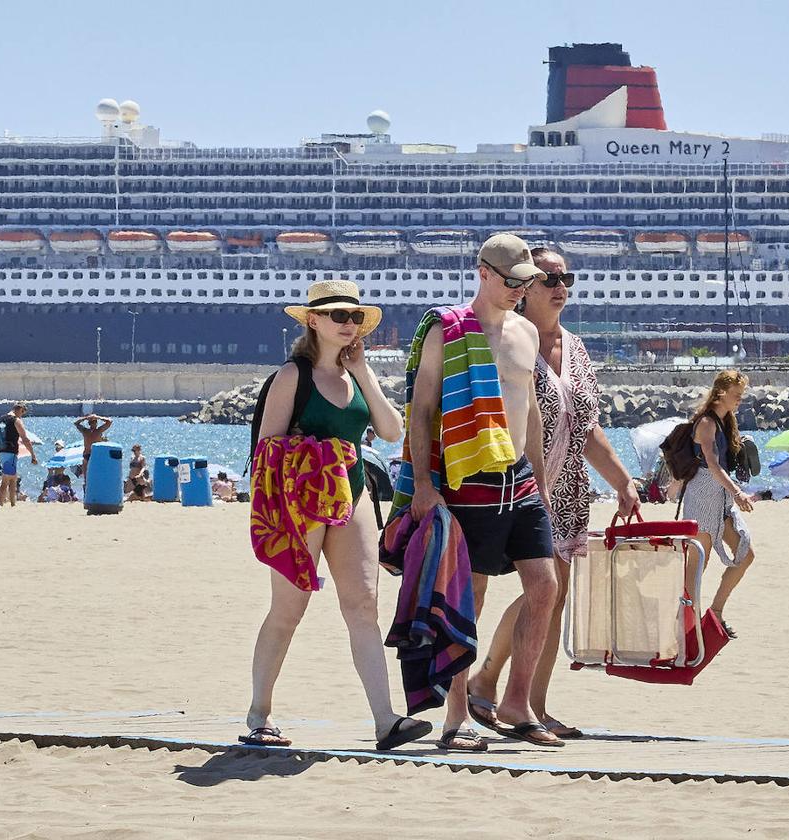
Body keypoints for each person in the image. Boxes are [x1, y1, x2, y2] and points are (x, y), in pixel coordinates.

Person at [243, 279, 431, 752]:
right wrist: (321, 454)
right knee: (290, 609)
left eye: (354, 318)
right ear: (313, 321)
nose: (348, 325)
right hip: (300, 501)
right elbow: (268, 450)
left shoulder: (354, 376)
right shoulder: (293, 376)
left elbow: (390, 432)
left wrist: (364, 372)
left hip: (353, 494)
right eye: (338, 316)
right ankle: (259, 713)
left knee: (364, 603)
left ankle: (385, 720)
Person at [466, 246, 640, 741]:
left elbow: (585, 426)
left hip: (566, 489)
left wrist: (623, 480)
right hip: (511, 482)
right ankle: (484, 683)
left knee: (550, 595)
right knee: (536, 590)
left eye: (567, 278)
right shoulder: (505, 339)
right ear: (524, 286)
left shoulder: (577, 347)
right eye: (548, 278)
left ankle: (524, 701)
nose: (560, 286)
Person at [406, 233, 560, 750]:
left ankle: (516, 701)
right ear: (484, 272)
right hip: (467, 479)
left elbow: (531, 408)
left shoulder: (525, 332)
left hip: (519, 481)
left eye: (528, 282)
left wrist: (540, 476)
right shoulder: (447, 331)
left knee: (545, 586)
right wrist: (424, 484)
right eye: (514, 281)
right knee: (467, 597)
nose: (522, 290)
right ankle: (456, 718)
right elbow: (423, 408)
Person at [681, 370, 757, 639]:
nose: (740, 400)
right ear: (721, 393)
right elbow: (712, 464)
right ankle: (685, 629)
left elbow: (724, 460)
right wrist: (737, 492)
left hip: (720, 497)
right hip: (702, 495)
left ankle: (716, 613)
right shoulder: (706, 423)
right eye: (737, 395)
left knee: (745, 556)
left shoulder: (726, 421)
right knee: (697, 566)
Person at [0, 402, 37, 506]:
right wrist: (33, 455)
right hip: (10, 452)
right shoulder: (16, 420)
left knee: (13, 478)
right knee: (6, 479)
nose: (22, 416)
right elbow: (25, 439)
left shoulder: (1, 419)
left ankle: (13, 503)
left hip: (1, 452)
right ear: (20, 409)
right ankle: (0, 504)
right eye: (22, 413)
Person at [74, 414, 113, 484]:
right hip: (88, 455)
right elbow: (76, 423)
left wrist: (98, 417)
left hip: (96, 455)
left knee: (97, 475)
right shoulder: (85, 431)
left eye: (94, 422)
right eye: (92, 422)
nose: (93, 423)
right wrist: (86, 418)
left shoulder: (98, 430)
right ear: (89, 423)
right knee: (86, 478)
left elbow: (110, 421)